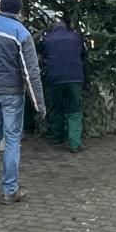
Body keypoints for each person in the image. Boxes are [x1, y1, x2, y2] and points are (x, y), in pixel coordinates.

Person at [0, 0, 45, 205]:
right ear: (19, 9)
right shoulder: (21, 33)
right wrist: (39, 105)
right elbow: (30, 72)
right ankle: (10, 190)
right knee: (12, 139)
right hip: (12, 94)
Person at [42, 19, 85, 153]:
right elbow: (83, 54)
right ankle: (75, 143)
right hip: (74, 78)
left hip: (54, 79)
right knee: (74, 110)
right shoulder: (76, 37)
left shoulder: (47, 39)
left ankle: (57, 137)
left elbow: (42, 55)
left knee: (56, 108)